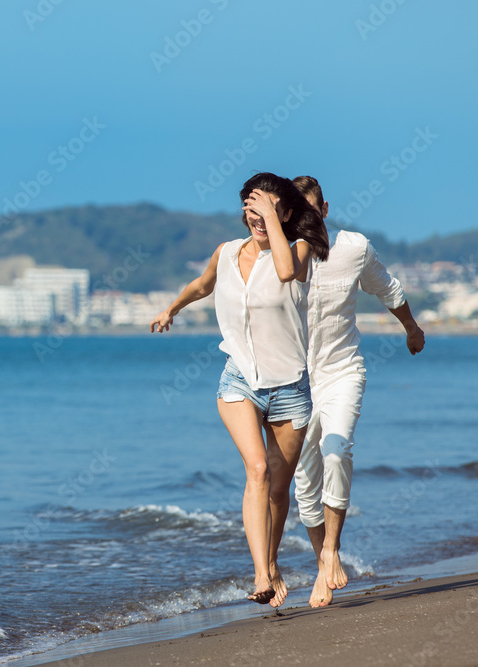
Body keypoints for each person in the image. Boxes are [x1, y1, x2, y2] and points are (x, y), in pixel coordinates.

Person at [151, 173, 330, 607]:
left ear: (286, 214)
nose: (256, 216)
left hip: (289, 388)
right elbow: (202, 285)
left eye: (268, 207)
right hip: (239, 381)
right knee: (257, 470)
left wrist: (273, 219)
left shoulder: (298, 251)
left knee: (278, 490)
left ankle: (272, 562)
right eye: (251, 207)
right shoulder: (227, 253)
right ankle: (260, 575)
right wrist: (171, 308)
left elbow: (287, 272)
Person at [291, 175, 426, 607]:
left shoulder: (353, 248)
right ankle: (322, 563)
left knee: (337, 450)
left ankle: (331, 551)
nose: (305, 222)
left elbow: (388, 287)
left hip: (343, 373)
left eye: (311, 213)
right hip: (295, 384)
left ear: (324, 210)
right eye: (296, 215)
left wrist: (411, 327)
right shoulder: (279, 259)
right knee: (303, 487)